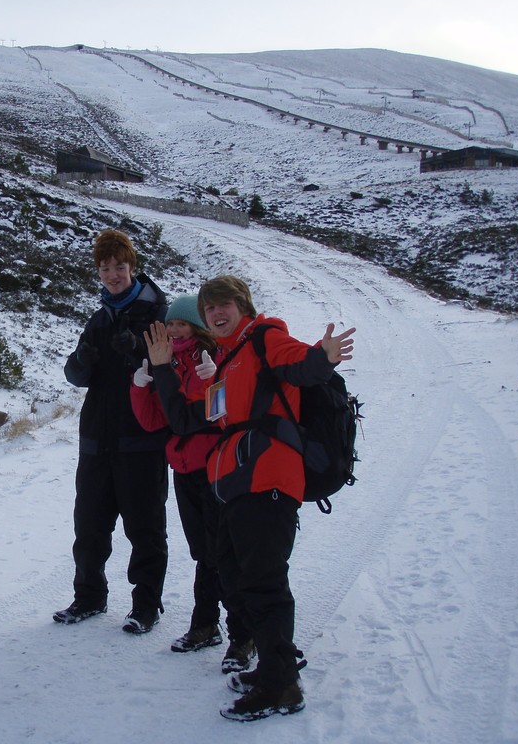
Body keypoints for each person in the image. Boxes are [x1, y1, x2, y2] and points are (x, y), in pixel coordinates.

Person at [144, 275, 354, 722]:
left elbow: (301, 365)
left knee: (263, 580)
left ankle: (281, 685)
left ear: (243, 307)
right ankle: (272, 663)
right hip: (236, 485)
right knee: (233, 573)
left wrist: (323, 356)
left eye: (225, 304)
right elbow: (185, 421)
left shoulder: (264, 338)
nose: (216, 313)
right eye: (209, 308)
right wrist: (161, 368)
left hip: (270, 477)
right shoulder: (226, 364)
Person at [129, 294, 255, 673]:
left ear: (197, 326)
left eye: (181, 323)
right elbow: (155, 421)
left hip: (216, 469)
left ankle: (243, 634)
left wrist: (208, 378)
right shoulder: (167, 362)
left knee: (225, 554)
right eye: (170, 324)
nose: (174, 330)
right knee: (204, 552)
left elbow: (198, 418)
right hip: (184, 469)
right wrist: (140, 387)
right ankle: (205, 625)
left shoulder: (208, 359)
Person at [54, 228, 170, 634]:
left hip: (141, 440)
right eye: (104, 269)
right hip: (96, 440)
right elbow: (75, 376)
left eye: (119, 267)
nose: (112, 275)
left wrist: (139, 352)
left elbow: (172, 370)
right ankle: (89, 596)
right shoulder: (100, 318)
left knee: (145, 528)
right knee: (89, 526)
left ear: (132, 267)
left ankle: (146, 606)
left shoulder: (158, 314)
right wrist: (81, 361)